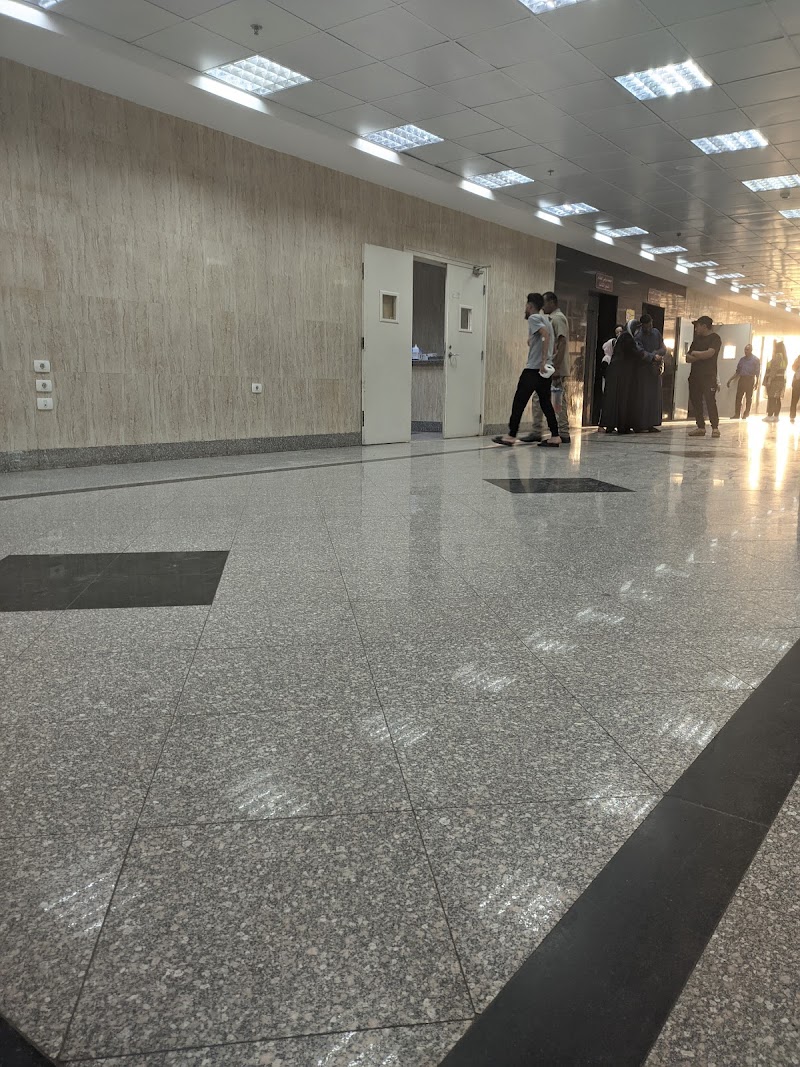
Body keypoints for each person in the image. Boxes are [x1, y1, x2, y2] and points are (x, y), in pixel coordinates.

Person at [493, 293, 561, 448]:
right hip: (544, 371)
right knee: (545, 403)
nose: (525, 308)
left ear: (530, 306)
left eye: (526, 306)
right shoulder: (547, 320)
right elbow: (551, 343)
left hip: (534, 369)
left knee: (519, 401)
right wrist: (545, 356)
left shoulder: (534, 318)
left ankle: (511, 435)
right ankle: (555, 436)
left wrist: (542, 361)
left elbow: (545, 335)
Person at [522, 291, 571, 444]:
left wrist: (556, 366)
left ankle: (559, 431)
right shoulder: (551, 319)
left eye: (544, 303)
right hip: (550, 366)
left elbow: (562, 342)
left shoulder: (557, 318)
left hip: (553, 367)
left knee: (554, 400)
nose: (542, 307)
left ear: (552, 302)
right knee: (547, 399)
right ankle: (554, 431)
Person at [599, 323, 640, 434]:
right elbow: (635, 353)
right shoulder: (627, 338)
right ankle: (622, 426)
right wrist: (649, 356)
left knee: (613, 400)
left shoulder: (623, 338)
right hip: (622, 374)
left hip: (616, 374)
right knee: (622, 400)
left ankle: (610, 425)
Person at [687, 316, 722, 438]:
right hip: (695, 376)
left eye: (697, 326)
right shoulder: (696, 340)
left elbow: (710, 353)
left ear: (704, 326)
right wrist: (701, 355)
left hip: (709, 376)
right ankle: (700, 427)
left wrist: (696, 354)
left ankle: (715, 428)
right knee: (696, 401)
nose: (696, 329)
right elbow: (688, 358)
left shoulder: (715, 338)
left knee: (710, 401)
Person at [633, 314, 666, 432]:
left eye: (651, 324)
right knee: (643, 397)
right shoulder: (638, 336)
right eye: (647, 325)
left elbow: (663, 348)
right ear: (643, 325)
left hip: (655, 370)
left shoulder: (656, 333)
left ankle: (652, 423)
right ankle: (641, 424)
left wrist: (657, 353)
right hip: (643, 370)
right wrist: (653, 356)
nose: (649, 327)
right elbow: (640, 352)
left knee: (654, 397)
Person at [727, 343, 760, 419]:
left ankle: (746, 414)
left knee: (748, 398)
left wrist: (757, 382)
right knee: (738, 397)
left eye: (747, 350)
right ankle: (737, 414)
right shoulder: (742, 360)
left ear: (751, 350)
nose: (746, 351)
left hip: (750, 379)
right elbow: (738, 372)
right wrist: (730, 379)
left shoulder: (755, 360)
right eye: (745, 349)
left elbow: (757, 372)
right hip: (742, 379)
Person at [763, 341, 788, 422]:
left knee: (772, 398)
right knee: (777, 398)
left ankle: (770, 415)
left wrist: (769, 380)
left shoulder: (777, 357)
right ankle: (776, 416)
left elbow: (773, 370)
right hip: (780, 381)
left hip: (774, 382)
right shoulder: (784, 358)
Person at [791, 354, 800, 423]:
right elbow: (793, 368)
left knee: (794, 400)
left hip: (797, 381)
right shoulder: (798, 359)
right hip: (797, 382)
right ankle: (792, 416)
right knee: (794, 399)